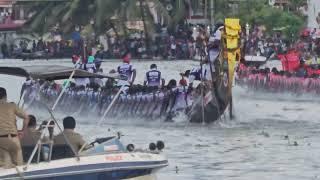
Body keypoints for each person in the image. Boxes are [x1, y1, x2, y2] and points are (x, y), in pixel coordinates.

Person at [0, 87, 29, 168]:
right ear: (5, 96)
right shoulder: (11, 106)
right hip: (12, 138)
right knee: (19, 165)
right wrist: (23, 131)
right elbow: (26, 117)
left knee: (5, 165)